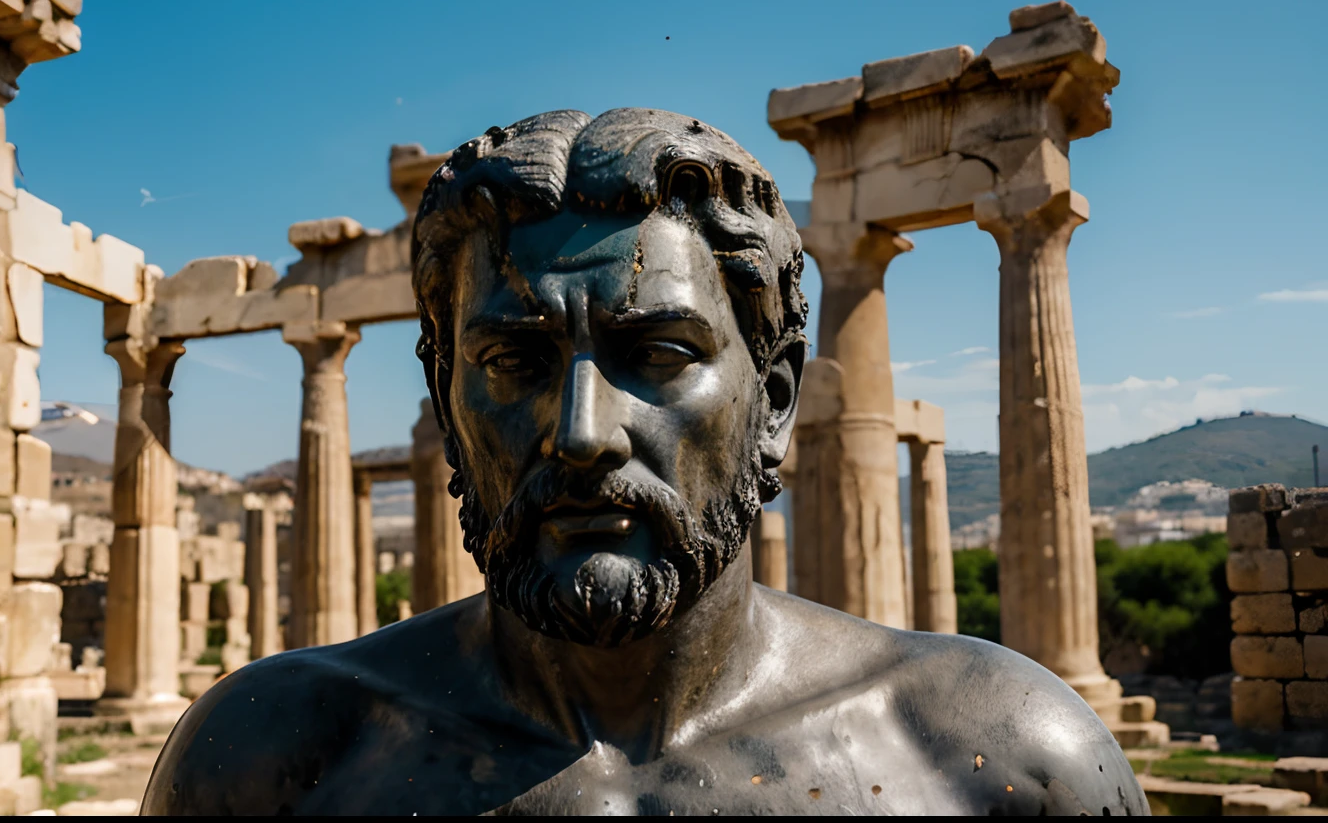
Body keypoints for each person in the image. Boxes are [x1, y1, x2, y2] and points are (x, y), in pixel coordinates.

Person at [142, 108, 1146, 816]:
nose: (583, 432)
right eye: (512, 360)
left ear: (777, 401)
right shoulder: (272, 758)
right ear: (446, 403)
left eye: (658, 354)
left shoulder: (1005, 760)